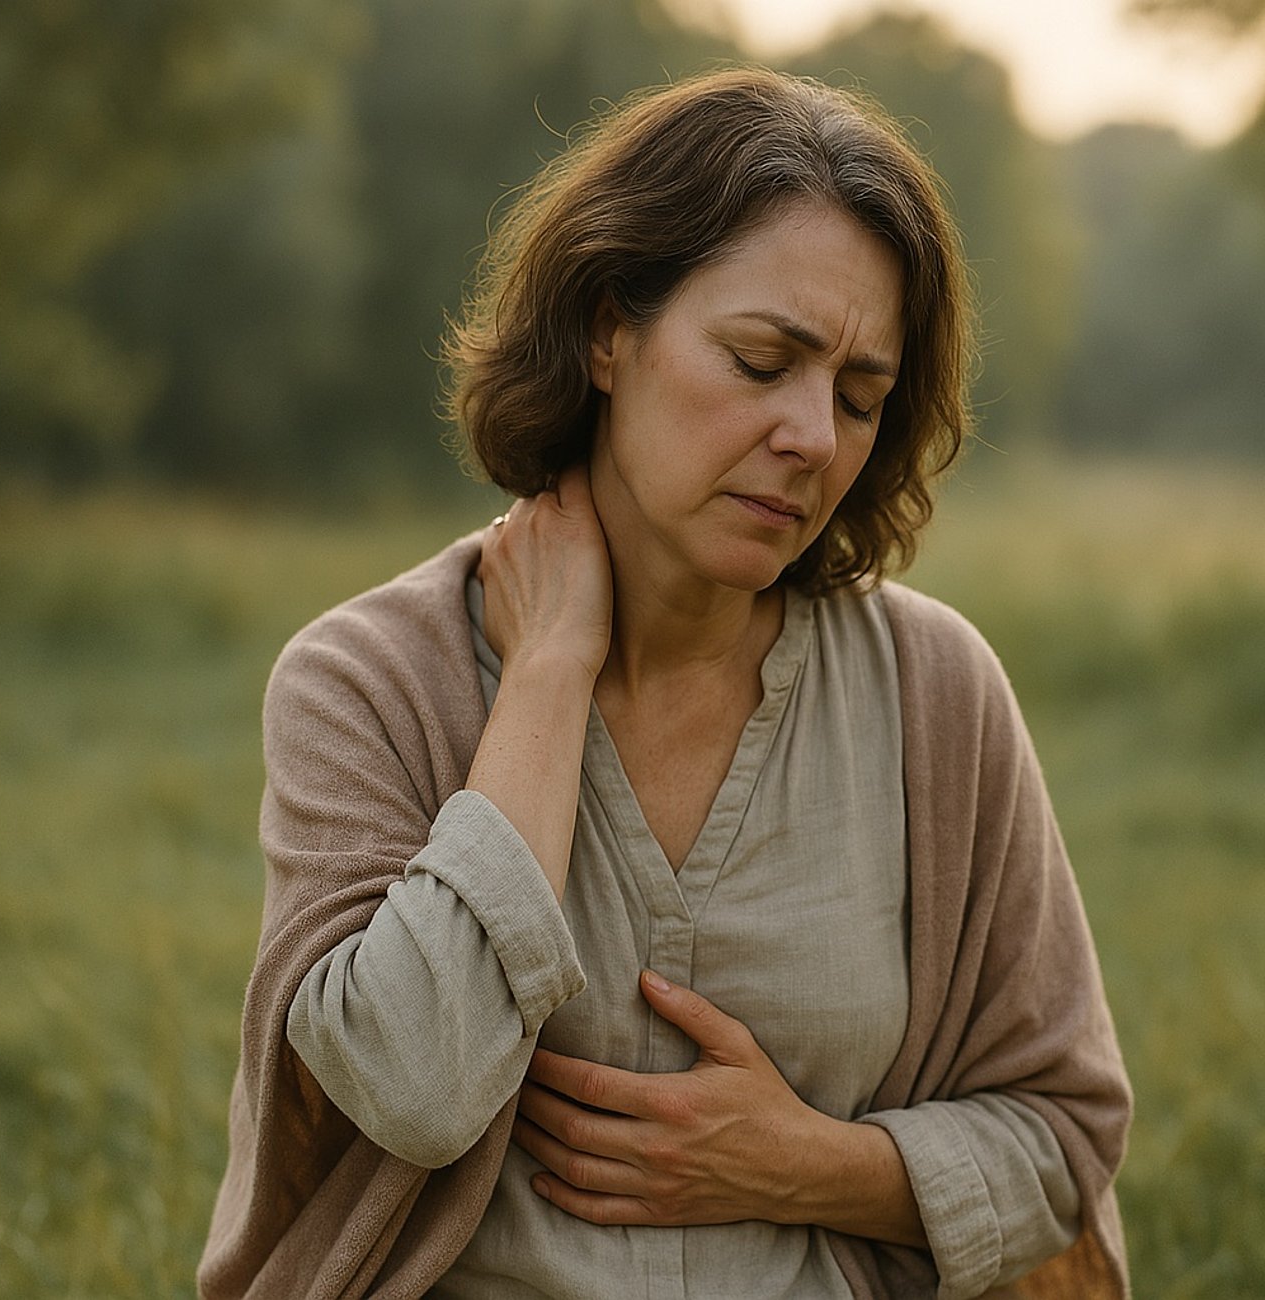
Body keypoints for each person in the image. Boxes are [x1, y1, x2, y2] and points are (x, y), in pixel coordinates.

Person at [199, 67, 1131, 1300]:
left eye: (859, 397)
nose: (812, 435)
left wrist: (812, 1166)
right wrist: (545, 673)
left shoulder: (937, 694)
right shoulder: (367, 681)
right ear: (605, 327)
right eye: (760, 362)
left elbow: (1063, 1139)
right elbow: (410, 1092)